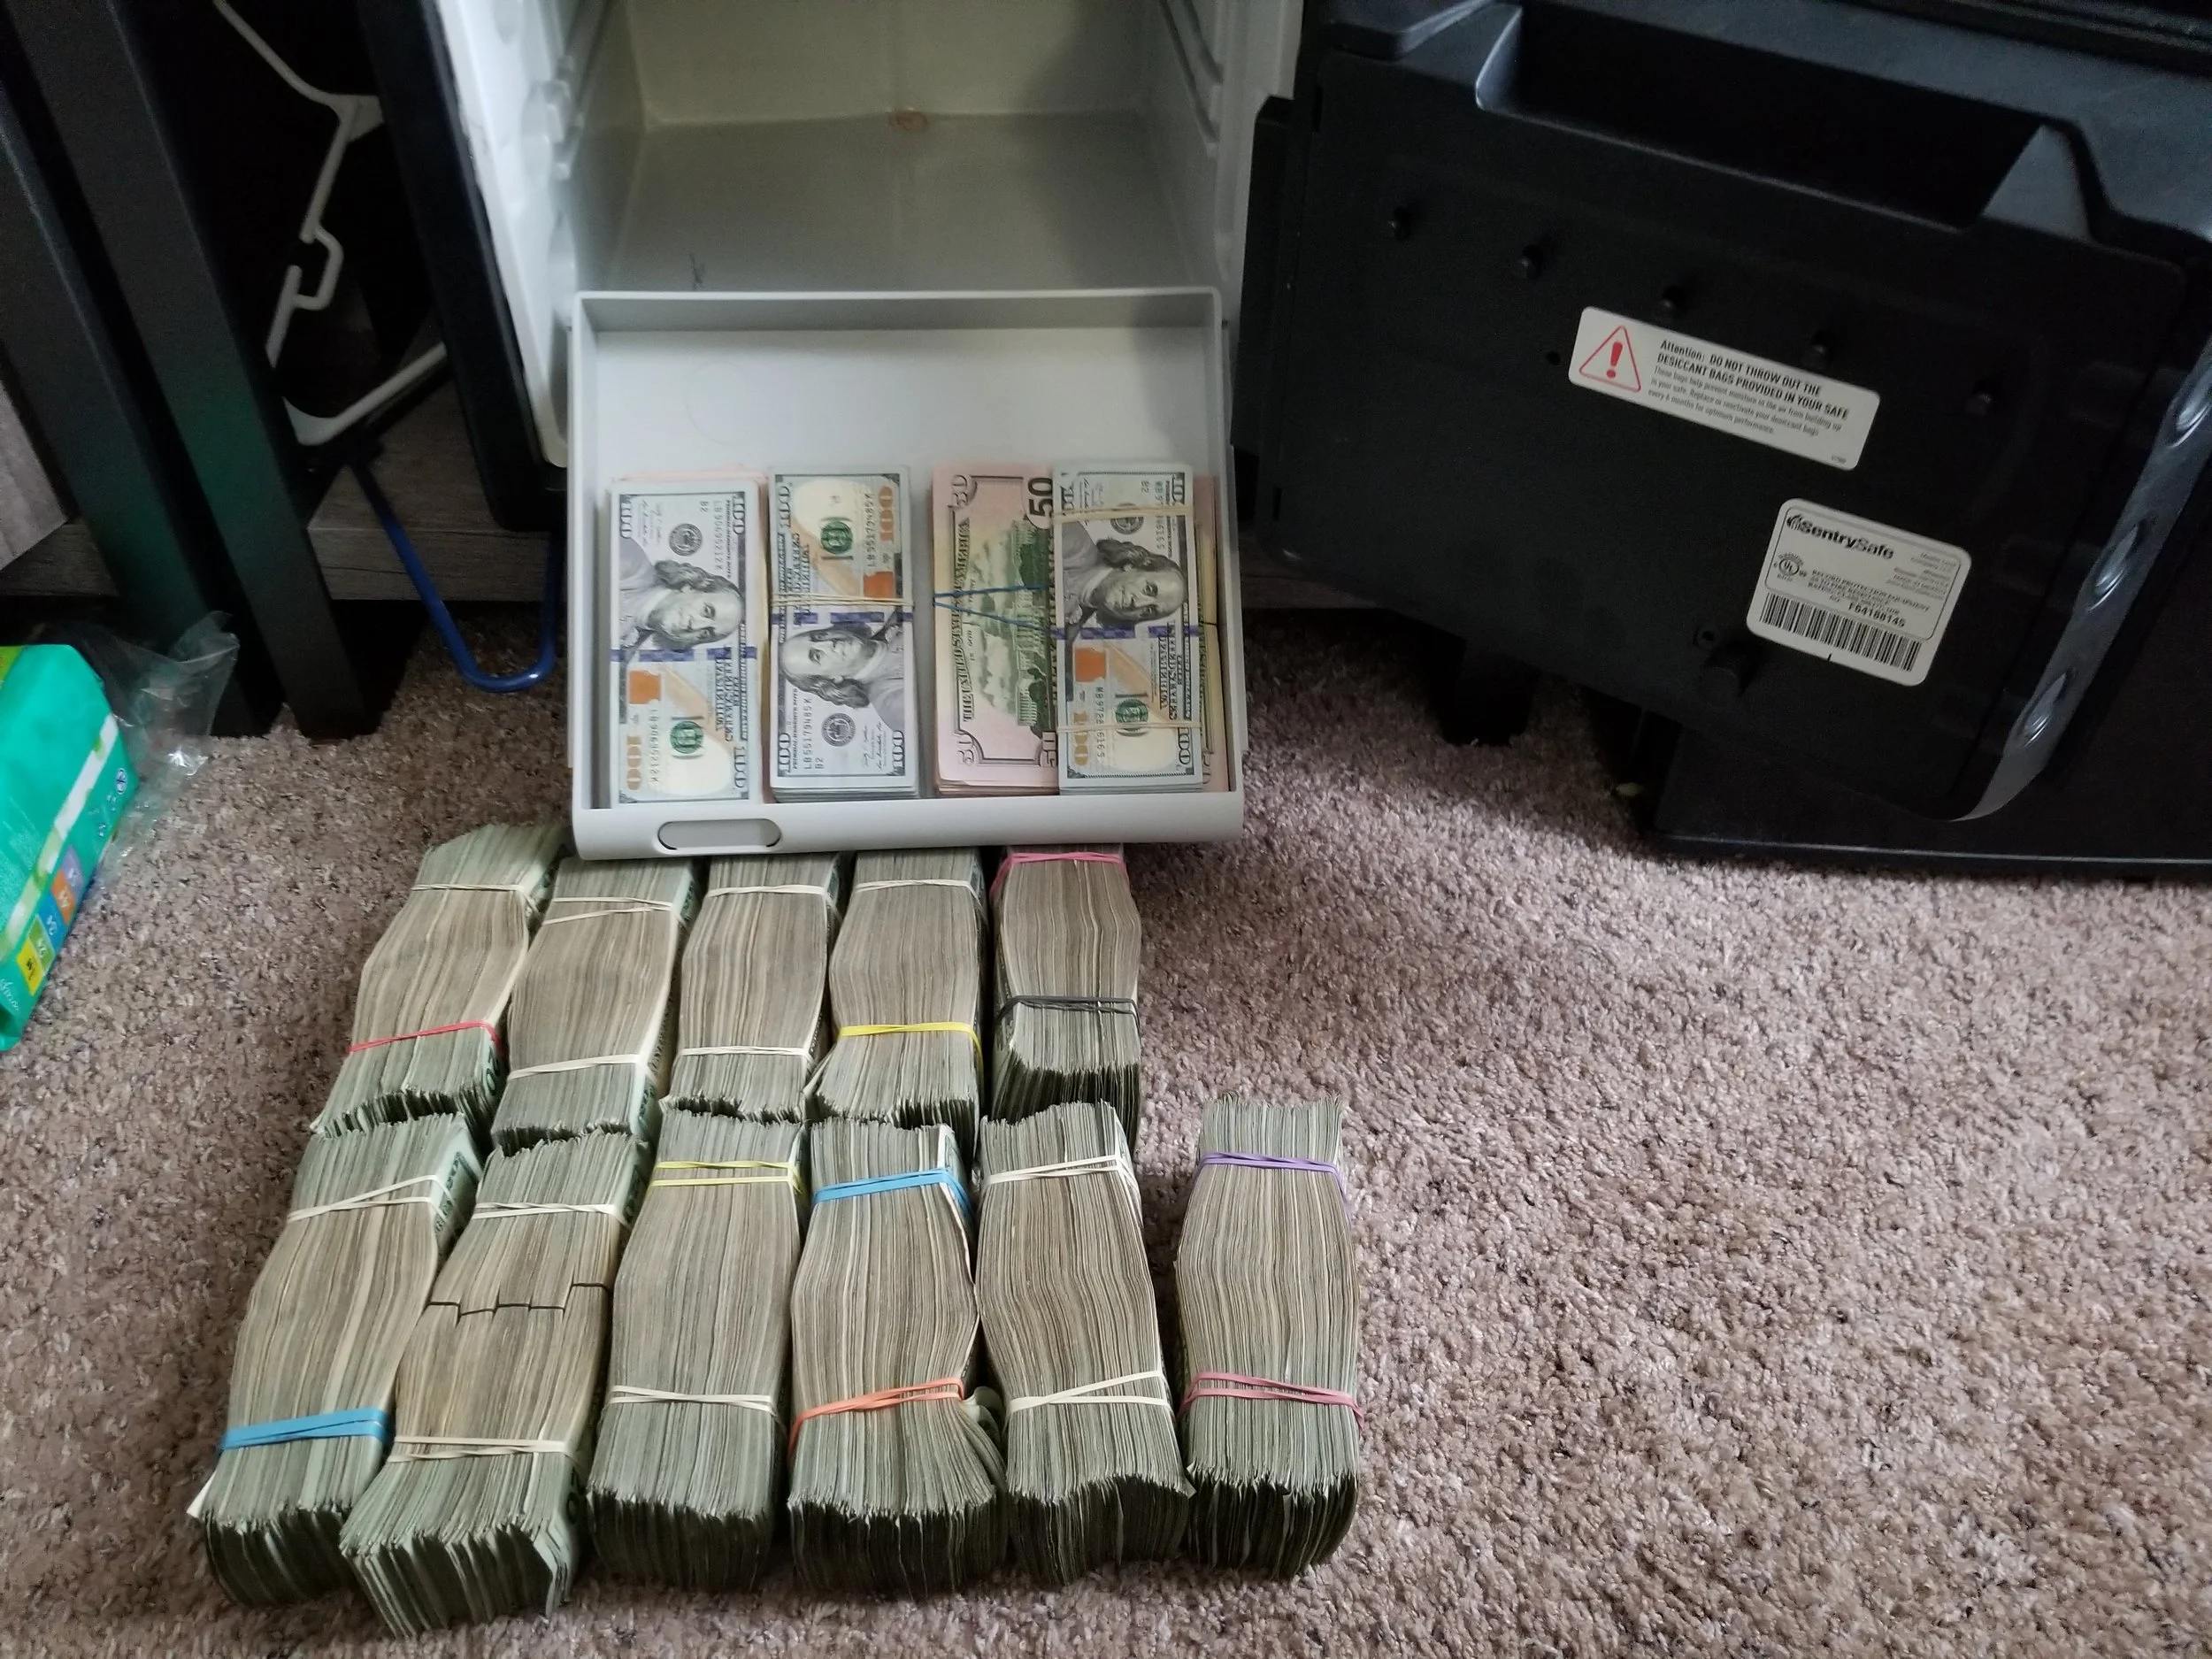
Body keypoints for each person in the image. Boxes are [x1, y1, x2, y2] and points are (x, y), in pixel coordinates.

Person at [619, 532, 743, 651]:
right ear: (690, 586)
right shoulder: (630, 562)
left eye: (705, 633)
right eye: (706, 611)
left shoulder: (628, 653)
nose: (695, 626)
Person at [779, 618, 907, 729]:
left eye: (818, 637)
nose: (829, 643)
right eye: (818, 656)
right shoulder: (892, 702)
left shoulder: (894, 619)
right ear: (831, 679)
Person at [1059, 519, 1188, 629]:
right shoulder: (1072, 541)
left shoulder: (1069, 632)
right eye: (1148, 589)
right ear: (1132, 565)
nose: (1137, 604)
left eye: (1149, 610)